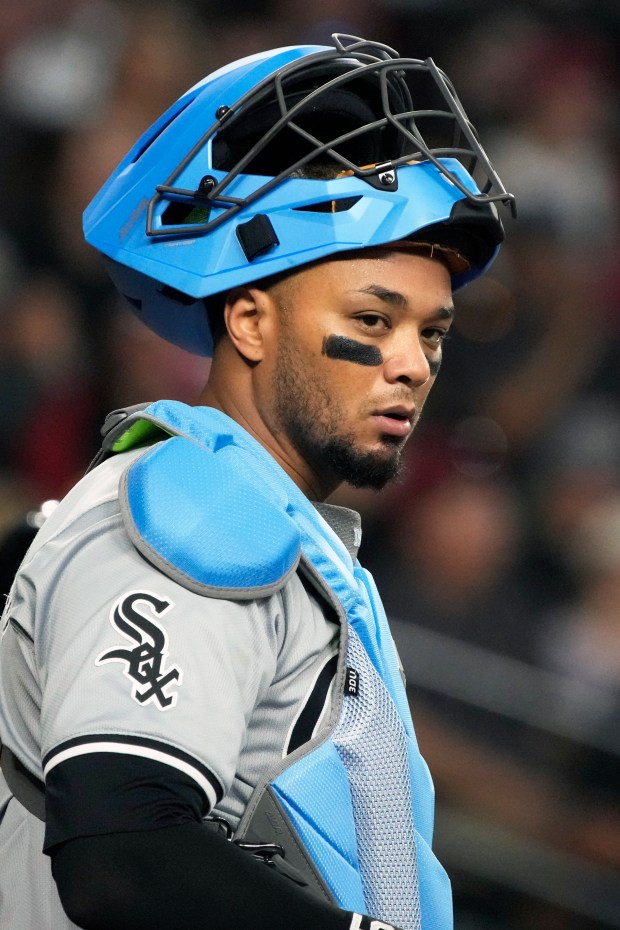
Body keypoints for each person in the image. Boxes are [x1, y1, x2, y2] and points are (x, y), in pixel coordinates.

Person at [0, 34, 514, 930]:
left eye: (431, 332)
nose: (413, 364)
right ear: (247, 320)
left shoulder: (273, 522)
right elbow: (124, 853)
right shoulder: (189, 515)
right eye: (372, 317)